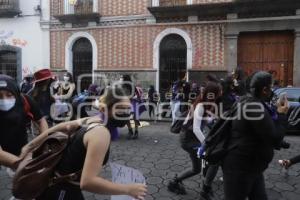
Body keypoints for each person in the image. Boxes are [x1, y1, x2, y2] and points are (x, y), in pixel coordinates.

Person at [21, 87, 147, 200]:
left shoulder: (95, 119)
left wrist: (30, 145)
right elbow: (88, 182)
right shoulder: (101, 133)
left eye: (128, 109)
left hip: (58, 185)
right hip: (62, 191)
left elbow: (62, 126)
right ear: (104, 109)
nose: (125, 113)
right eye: (120, 109)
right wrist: (128, 189)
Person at [222, 71, 289, 200]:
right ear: (264, 89)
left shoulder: (248, 101)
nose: (273, 90)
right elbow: (274, 138)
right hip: (240, 169)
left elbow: (261, 132)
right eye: (272, 86)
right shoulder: (254, 107)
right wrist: (282, 114)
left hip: (253, 167)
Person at [168, 82, 221, 195]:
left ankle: (175, 182)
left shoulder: (205, 104)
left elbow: (205, 122)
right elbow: (196, 129)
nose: (218, 96)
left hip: (191, 138)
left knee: (197, 168)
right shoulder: (201, 106)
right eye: (218, 94)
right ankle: (206, 187)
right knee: (213, 159)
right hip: (188, 140)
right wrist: (206, 143)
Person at [0, 74, 48, 157]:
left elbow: (41, 120)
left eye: (9, 95)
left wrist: (42, 142)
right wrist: (19, 163)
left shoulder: (25, 100)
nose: (4, 100)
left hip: (22, 149)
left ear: (15, 93)